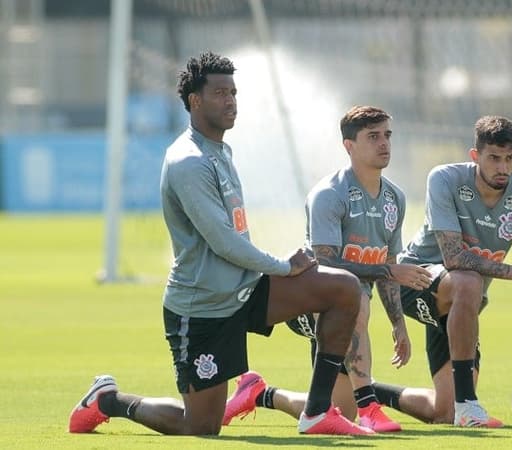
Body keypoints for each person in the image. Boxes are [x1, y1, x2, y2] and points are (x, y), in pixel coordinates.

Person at [67, 51, 374, 436]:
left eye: (233, 93)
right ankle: (108, 400)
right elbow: (223, 242)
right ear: (195, 101)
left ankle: (316, 412)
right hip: (203, 307)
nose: (230, 102)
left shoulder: (221, 151)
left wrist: (280, 271)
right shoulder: (188, 161)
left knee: (343, 288)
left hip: (244, 288)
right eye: (219, 93)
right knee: (199, 426)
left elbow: (236, 235)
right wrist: (283, 266)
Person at [221, 106, 432, 432]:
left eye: (387, 135)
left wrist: (398, 324)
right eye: (373, 137)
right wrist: (390, 272)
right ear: (349, 146)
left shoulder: (395, 199)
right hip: (311, 303)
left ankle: (260, 394)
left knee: (331, 412)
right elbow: (327, 262)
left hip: (348, 315)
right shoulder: (329, 194)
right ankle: (370, 406)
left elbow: (390, 264)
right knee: (353, 294)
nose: (384, 143)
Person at [367, 115, 512, 427]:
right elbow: (454, 257)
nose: (502, 168)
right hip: (416, 281)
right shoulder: (444, 179)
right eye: (494, 159)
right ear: (475, 157)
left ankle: (365, 391)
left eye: (509, 159)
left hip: (461, 305)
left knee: (442, 414)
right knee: (468, 280)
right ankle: (468, 404)